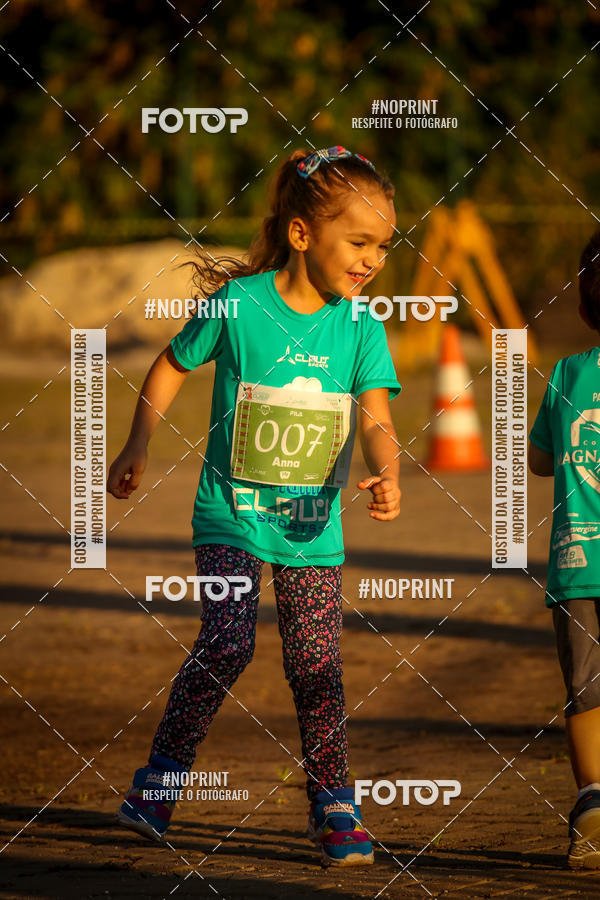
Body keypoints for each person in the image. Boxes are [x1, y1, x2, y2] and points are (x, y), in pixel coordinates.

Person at [108, 145, 402, 867]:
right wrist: (137, 443)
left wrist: (388, 472)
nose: (372, 259)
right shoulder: (239, 306)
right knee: (229, 641)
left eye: (384, 247)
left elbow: (373, 418)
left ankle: (334, 806)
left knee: (316, 665)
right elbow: (172, 363)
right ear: (302, 235)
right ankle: (160, 782)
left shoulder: (361, 327)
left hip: (312, 530)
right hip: (229, 517)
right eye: (358, 242)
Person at [529, 230, 600, 869]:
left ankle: (593, 806)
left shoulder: (569, 373)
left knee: (587, 692)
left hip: (579, 564)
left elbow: (540, 461)